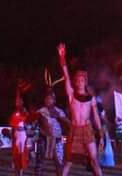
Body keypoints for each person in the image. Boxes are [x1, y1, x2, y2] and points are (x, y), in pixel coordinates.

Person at [56, 43, 103, 176]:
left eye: (83, 79)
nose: (80, 81)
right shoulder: (71, 95)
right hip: (75, 129)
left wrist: (100, 132)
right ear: (76, 81)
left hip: (87, 129)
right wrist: (62, 57)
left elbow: (96, 117)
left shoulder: (91, 98)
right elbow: (65, 75)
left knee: (94, 160)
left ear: (85, 81)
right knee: (68, 162)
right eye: (78, 79)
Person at [35, 89, 68, 176]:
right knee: (39, 163)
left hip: (57, 139)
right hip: (44, 138)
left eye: (50, 98)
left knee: (59, 162)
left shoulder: (59, 111)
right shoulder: (41, 111)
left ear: (54, 100)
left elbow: (67, 124)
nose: (48, 100)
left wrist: (58, 116)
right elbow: (35, 123)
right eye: (46, 98)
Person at [9, 92, 31, 176]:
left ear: (23, 102)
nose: (17, 102)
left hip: (23, 137)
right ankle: (16, 173)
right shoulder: (14, 113)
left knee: (22, 155)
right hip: (16, 137)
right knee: (16, 156)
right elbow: (12, 126)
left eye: (19, 100)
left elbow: (28, 124)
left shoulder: (25, 112)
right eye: (16, 100)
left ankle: (20, 173)